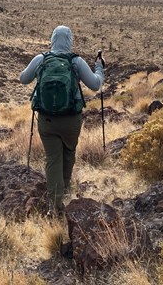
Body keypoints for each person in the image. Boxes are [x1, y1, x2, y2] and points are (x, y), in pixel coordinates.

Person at [20, 25, 104, 210]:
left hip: (46, 120)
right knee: (69, 153)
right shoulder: (76, 62)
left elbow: (23, 79)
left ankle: (55, 204)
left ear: (52, 39)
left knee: (52, 158)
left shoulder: (41, 59)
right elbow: (95, 85)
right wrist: (99, 67)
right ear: (70, 40)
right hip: (71, 120)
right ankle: (65, 190)